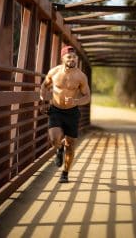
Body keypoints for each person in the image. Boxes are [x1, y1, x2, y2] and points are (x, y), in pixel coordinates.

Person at [40, 45, 90, 183]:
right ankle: (58, 148)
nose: (72, 59)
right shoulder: (54, 72)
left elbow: (87, 97)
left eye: (74, 57)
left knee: (71, 144)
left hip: (72, 112)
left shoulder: (81, 76)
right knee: (54, 139)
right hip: (56, 109)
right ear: (63, 58)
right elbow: (44, 85)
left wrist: (76, 100)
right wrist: (43, 99)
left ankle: (65, 173)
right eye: (69, 57)